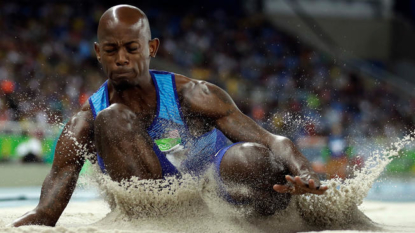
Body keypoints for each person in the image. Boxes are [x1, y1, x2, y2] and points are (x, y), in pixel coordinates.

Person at [12, 5, 327, 227]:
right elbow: (47, 208)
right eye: (111, 50)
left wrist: (304, 172)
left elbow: (272, 140)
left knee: (253, 159)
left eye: (131, 48)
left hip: (215, 185)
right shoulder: (86, 121)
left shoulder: (192, 94)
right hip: (157, 207)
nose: (121, 59)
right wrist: (30, 221)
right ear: (98, 52)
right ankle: (155, 225)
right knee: (112, 119)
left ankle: (289, 216)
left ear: (151, 48)